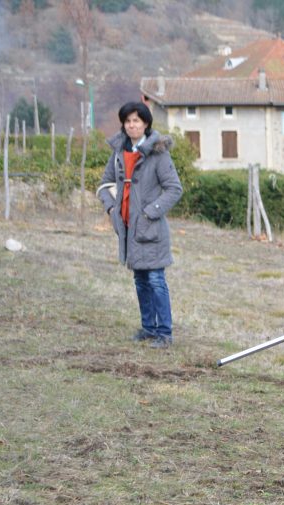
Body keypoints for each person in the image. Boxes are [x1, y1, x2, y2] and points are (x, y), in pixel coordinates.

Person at [97, 101, 183, 349]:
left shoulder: (158, 153)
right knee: (140, 280)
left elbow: (174, 189)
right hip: (127, 229)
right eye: (128, 121)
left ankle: (164, 333)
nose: (132, 125)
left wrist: (149, 212)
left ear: (146, 123)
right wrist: (112, 209)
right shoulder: (118, 153)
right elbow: (104, 185)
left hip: (151, 229)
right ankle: (148, 328)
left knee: (156, 280)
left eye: (137, 120)